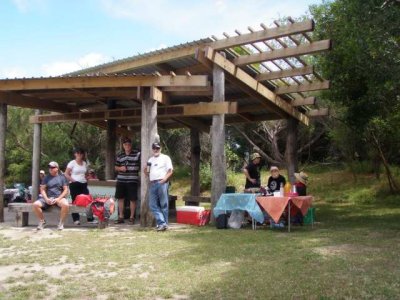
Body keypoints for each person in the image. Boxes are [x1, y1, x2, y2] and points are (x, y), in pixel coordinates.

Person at [144, 142, 173, 231]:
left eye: (157, 148)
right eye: (154, 148)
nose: (156, 150)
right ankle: (162, 223)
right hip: (153, 183)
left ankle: (163, 224)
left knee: (164, 204)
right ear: (152, 149)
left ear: (161, 148)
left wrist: (164, 179)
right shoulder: (150, 160)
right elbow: (147, 173)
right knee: (152, 205)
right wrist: (145, 170)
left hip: (162, 183)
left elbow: (170, 170)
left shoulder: (165, 158)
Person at [32, 161, 69, 230]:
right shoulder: (46, 178)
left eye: (52, 167)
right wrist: (46, 199)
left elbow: (65, 190)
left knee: (66, 205)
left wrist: (58, 199)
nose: (50, 169)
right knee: (35, 204)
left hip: (59, 197)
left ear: (57, 168)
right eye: (49, 167)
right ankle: (42, 221)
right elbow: (42, 189)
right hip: (48, 198)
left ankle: (61, 223)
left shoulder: (62, 177)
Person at [114, 137, 141, 224]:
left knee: (132, 199)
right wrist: (120, 168)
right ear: (123, 145)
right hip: (121, 180)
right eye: (125, 144)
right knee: (120, 198)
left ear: (131, 145)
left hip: (132, 180)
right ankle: (121, 216)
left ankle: (132, 217)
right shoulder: (120, 155)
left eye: (129, 144)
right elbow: (115, 167)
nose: (127, 146)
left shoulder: (137, 154)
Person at [64, 147, 93, 225]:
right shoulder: (72, 163)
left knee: (88, 200)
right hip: (74, 184)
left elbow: (86, 174)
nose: (79, 154)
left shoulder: (84, 163)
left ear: (83, 154)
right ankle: (76, 219)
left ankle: (90, 219)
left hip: (83, 183)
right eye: (78, 153)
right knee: (75, 201)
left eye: (81, 153)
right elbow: (66, 174)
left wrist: (87, 178)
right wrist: (73, 180)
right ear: (75, 154)